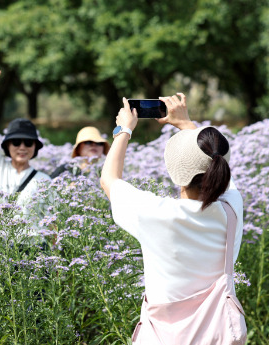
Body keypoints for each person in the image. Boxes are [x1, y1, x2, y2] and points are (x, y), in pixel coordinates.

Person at [100, 94, 246, 344]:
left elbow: (108, 180)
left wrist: (123, 130)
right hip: (219, 334)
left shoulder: (158, 214)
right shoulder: (232, 208)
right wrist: (187, 124)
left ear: (177, 174)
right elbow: (212, 160)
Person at [0, 67, 51, 236]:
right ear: (7, 146)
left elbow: (51, 222)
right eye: (16, 142)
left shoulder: (44, 181)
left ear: (35, 147)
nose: (22, 147)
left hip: (31, 251)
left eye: (28, 142)